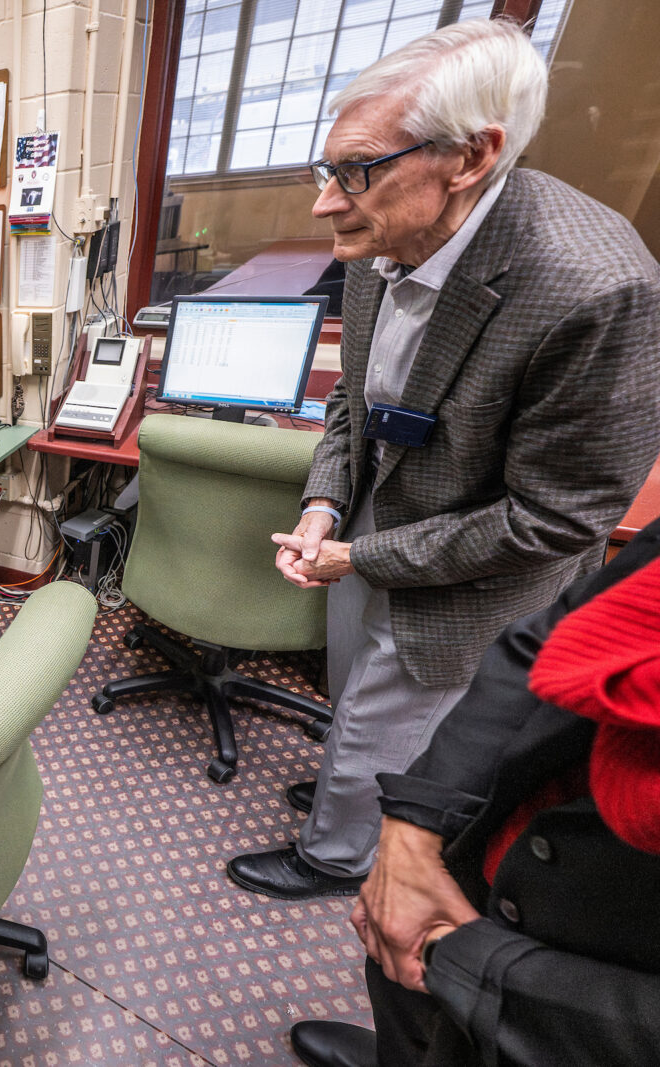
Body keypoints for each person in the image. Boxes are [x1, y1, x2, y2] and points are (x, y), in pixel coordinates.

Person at [226, 18, 660, 899]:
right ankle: (348, 795)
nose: (326, 203)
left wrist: (362, 553)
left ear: (471, 158)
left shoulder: (598, 289)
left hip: (478, 566)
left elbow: (554, 519)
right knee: (358, 700)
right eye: (326, 169)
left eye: (356, 171)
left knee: (396, 717)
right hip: (369, 519)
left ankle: (333, 856)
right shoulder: (381, 234)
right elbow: (352, 404)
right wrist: (322, 507)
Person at [288, 517, 660, 1067]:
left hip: (594, 984)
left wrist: (470, 964)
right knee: (403, 988)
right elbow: (542, 640)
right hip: (507, 826)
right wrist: (413, 833)